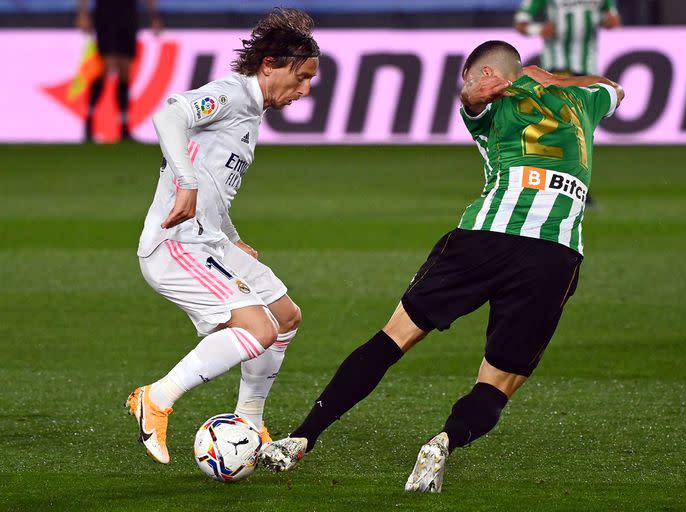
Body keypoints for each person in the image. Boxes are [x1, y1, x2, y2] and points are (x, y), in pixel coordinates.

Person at [259, 40, 623, 493]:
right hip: (554, 255)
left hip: (483, 239)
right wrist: (555, 80)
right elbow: (614, 88)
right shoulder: (582, 99)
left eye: (471, 77)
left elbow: (471, 99)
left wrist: (476, 93)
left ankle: (301, 438)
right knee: (498, 382)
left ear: (487, 72)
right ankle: (444, 442)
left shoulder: (489, 107)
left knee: (392, 339)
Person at [124, 8, 320, 465]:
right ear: (269, 63)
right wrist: (185, 182)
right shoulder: (231, 95)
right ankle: (155, 399)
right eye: (302, 77)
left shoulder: (251, 112)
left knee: (285, 316)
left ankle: (250, 419)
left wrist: (232, 236)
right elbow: (169, 115)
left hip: (210, 239)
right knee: (256, 329)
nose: (306, 90)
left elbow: (217, 190)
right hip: (176, 244)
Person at [515, 0, 622, 207]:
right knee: (558, 127)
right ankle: (550, 181)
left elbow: (613, 20)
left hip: (586, 70)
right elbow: (521, 23)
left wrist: (608, 21)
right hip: (556, 70)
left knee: (583, 128)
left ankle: (574, 185)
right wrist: (539, 28)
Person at [76, 0, 163, 142]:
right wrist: (83, 13)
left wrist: (154, 16)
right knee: (106, 67)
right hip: (106, 13)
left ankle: (124, 126)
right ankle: (89, 121)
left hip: (128, 13)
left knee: (125, 71)